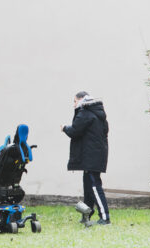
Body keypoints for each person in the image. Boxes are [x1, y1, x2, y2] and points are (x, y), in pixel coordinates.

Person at [61, 91, 111, 225]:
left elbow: (74, 131)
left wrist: (65, 128)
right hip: (97, 155)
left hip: (91, 157)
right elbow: (105, 131)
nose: (74, 104)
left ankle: (105, 218)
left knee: (94, 186)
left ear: (82, 100)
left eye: (75, 101)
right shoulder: (99, 114)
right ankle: (87, 214)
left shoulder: (85, 113)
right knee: (88, 186)